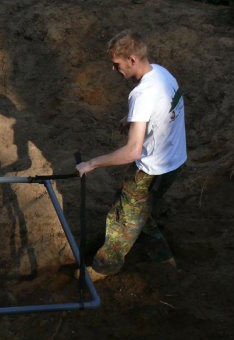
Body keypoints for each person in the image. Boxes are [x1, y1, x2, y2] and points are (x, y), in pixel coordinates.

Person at [75, 30, 186, 281]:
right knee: (139, 212)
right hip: (175, 162)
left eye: (117, 64)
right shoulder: (162, 73)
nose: (114, 69)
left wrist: (92, 163)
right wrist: (132, 119)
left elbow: (132, 151)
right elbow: (165, 107)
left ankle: (103, 268)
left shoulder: (141, 94)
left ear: (132, 60)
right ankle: (163, 260)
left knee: (121, 217)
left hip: (151, 170)